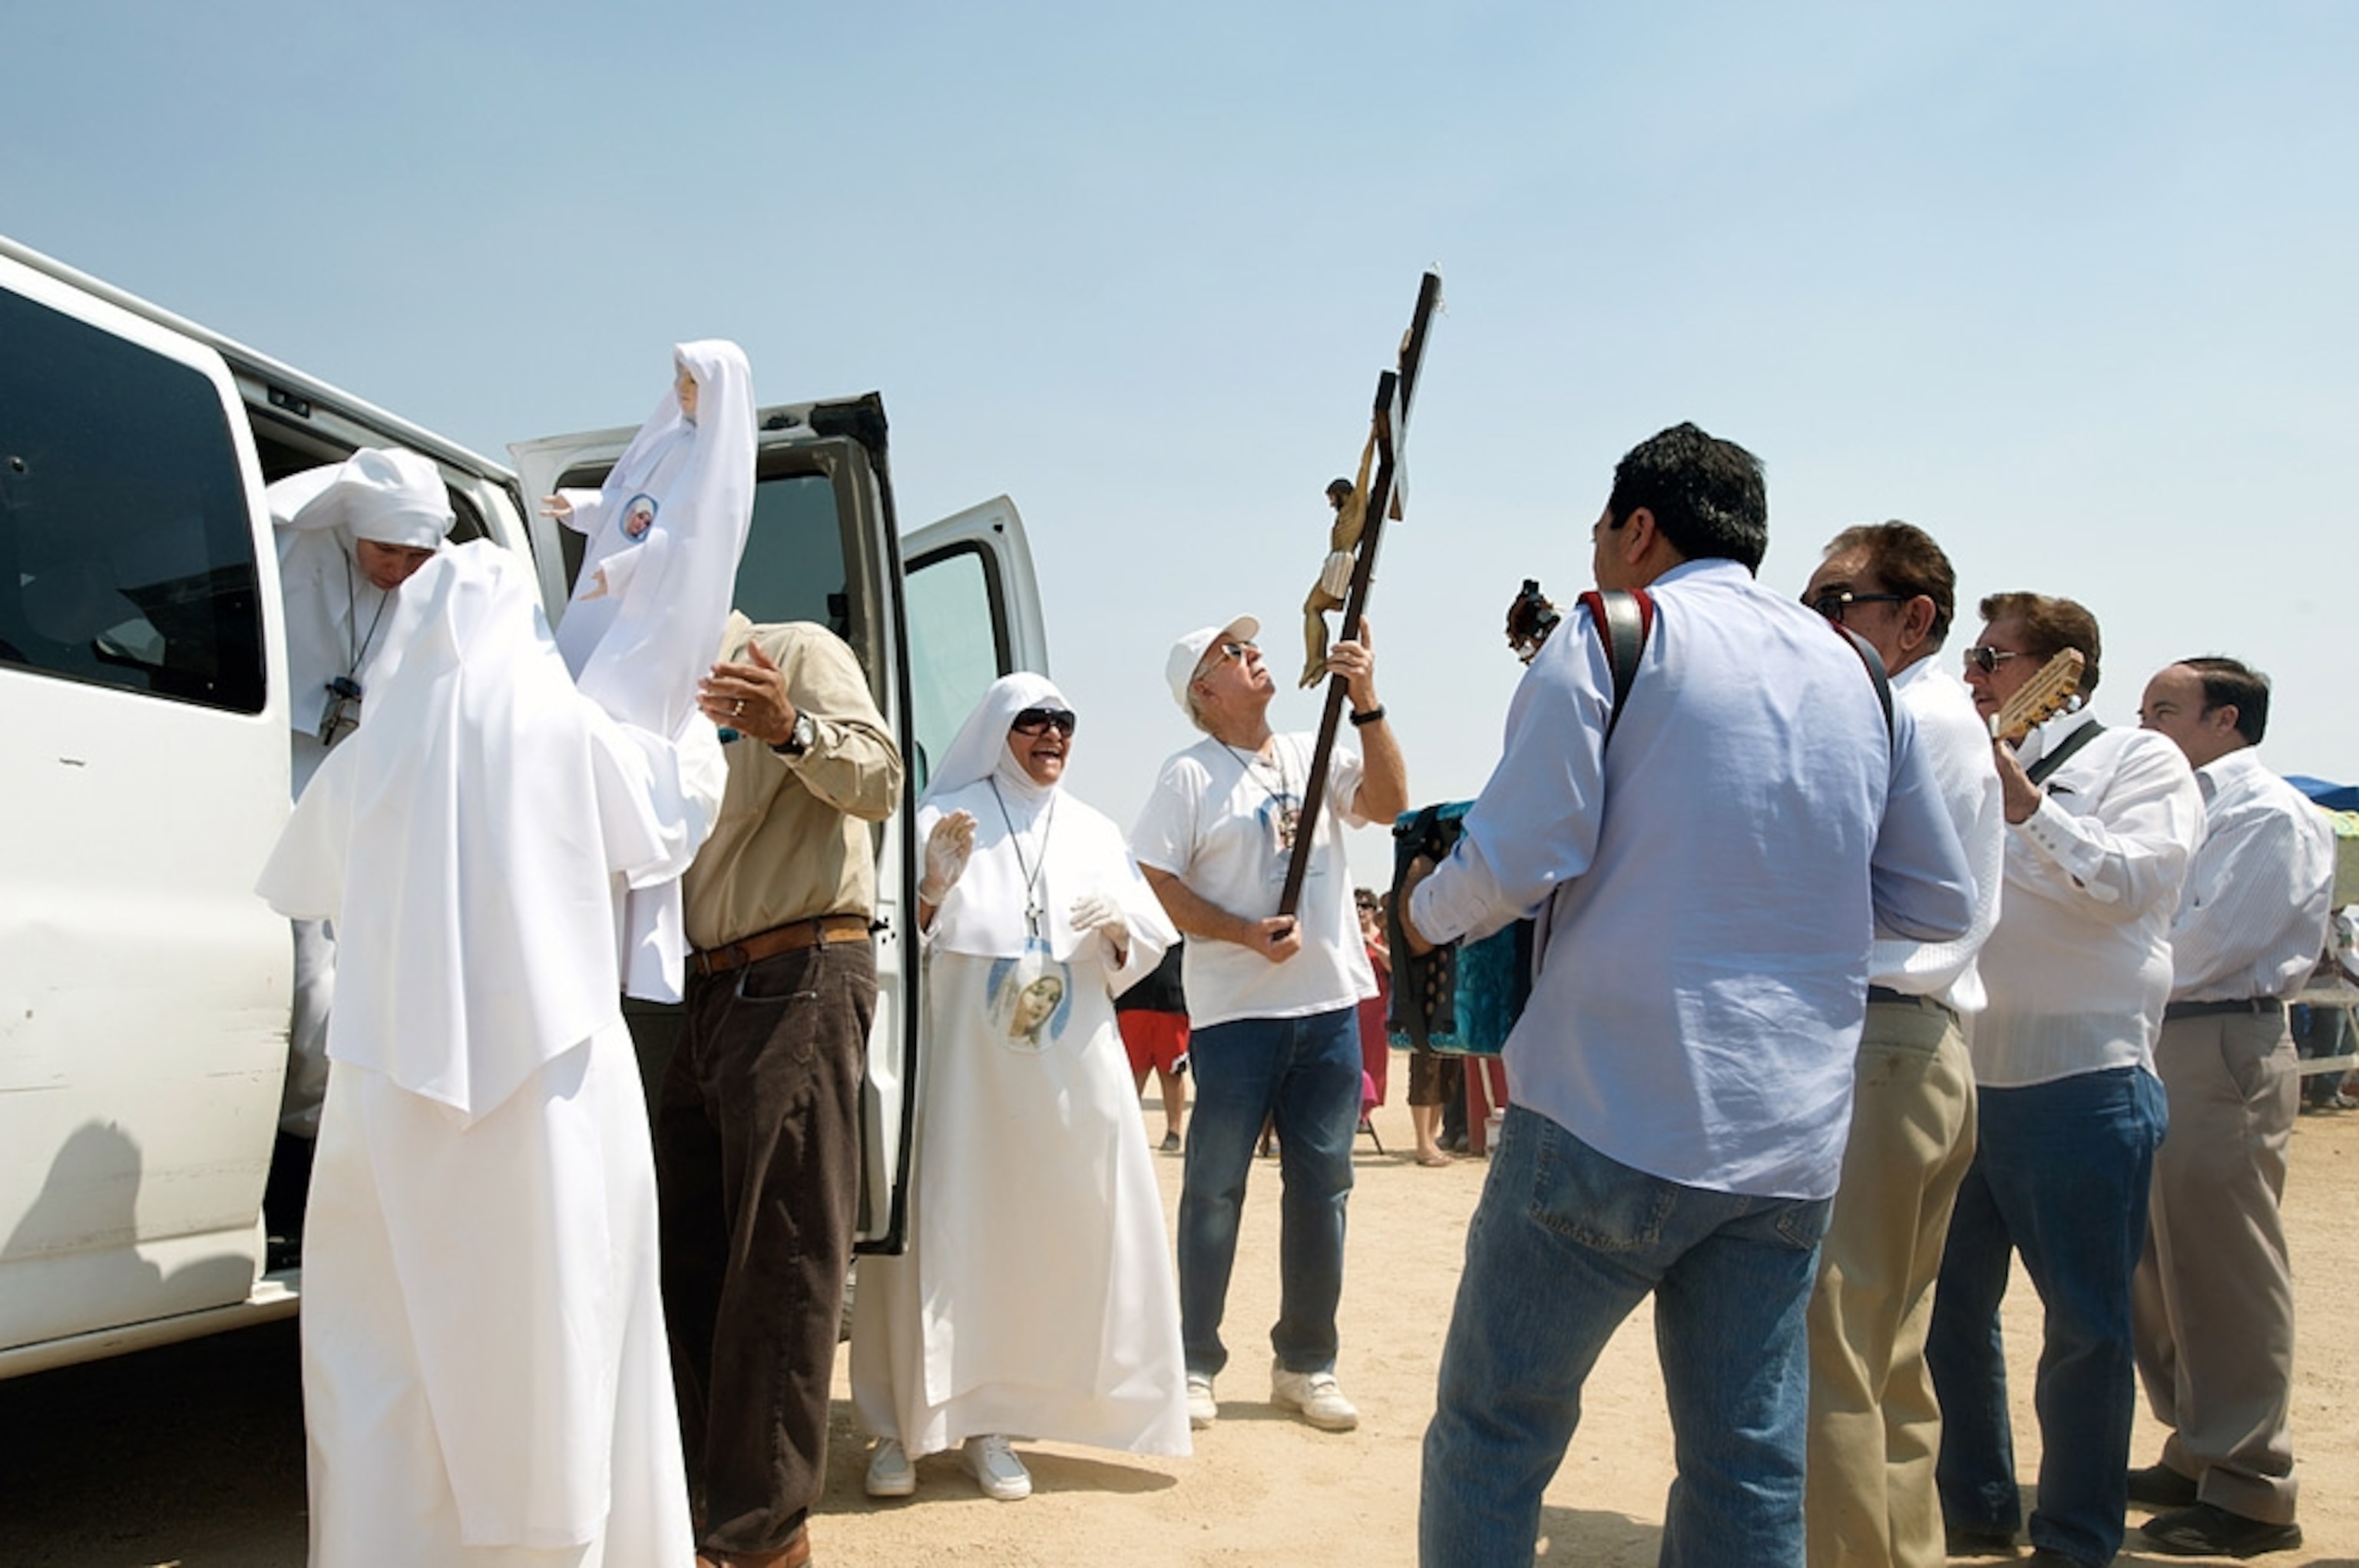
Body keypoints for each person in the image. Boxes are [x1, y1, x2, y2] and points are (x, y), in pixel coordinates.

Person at [1402, 423, 1975, 1568]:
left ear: (1640, 527)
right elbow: (1934, 899)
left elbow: (1519, 858)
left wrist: (1420, 912)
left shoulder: (1617, 633)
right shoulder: (1859, 673)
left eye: (1605, 532)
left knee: (1496, 1430)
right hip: (1786, 1144)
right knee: (1748, 1462)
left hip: (1608, 1111)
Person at [255, 541, 705, 1568]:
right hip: (555, 1088)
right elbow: (668, 819)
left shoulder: (370, 748)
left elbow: (303, 880)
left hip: (387, 1093)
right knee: (564, 1332)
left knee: (393, 1349)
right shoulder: (571, 726)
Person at [851, 675, 1189, 1503]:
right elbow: (888, 941)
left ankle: (991, 1423)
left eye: (1064, 721)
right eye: (1033, 721)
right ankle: (898, 1427)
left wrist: (1119, 927)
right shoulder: (941, 814)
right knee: (939, 1226)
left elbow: (1139, 950)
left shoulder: (1094, 829)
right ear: (999, 730)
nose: (1051, 735)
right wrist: (931, 889)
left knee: (1031, 1241)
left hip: (1062, 1077)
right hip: (962, 1074)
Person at [1927, 594, 2201, 1568]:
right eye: (1975, 653)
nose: (1974, 673)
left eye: (1994, 656)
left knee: (2085, 1327)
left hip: (2080, 1081)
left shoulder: (2140, 761)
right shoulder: (1963, 762)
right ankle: (1974, 1507)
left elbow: (2130, 888)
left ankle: (2078, 1536)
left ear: (2063, 671)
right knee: (1949, 1315)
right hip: (1964, 1074)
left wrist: (2028, 809)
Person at [660, 613, 903, 1568]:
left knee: (783, 1261)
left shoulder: (792, 649)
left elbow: (881, 779)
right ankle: (698, 1508)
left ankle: (761, 1539)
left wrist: (791, 727)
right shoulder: (635, 685)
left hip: (798, 967)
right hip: (698, 990)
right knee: (691, 1263)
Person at [1131, 614, 1408, 1433]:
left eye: (1252, 647)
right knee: (1214, 1188)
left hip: (1325, 1007)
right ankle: (1192, 1360)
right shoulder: (1187, 776)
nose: (1254, 657)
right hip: (1236, 1016)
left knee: (1324, 1188)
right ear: (1204, 691)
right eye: (1234, 653)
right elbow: (1156, 878)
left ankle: (1306, 1362)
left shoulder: (1310, 746)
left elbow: (1389, 804)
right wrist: (1243, 931)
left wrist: (1366, 701)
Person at [1798, 523, 2004, 1568]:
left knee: (1828, 1346)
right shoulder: (1942, 714)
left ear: (1916, 617)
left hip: (1881, 1039)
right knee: (1889, 1353)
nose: (1818, 627)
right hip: (1922, 1048)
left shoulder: (1896, 713)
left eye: (1840, 604)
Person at [2122, 657, 2333, 1559]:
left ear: (2229, 720)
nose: (2146, 725)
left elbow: (2207, 944)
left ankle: (2251, 1485)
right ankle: (2199, 1445)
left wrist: (2106, 939)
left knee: (2225, 1265)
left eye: (2166, 709)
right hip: (2159, 1035)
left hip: (2218, 1037)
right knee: (2159, 1264)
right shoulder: (2179, 803)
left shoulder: (2268, 812)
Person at [260, 446, 454, 1262]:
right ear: (351, 533)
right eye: (386, 552)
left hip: (359, 786)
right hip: (280, 771)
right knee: (302, 973)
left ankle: (323, 1166)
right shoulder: (289, 550)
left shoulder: (416, 588)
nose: (400, 571)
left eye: (418, 557)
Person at [545, 340, 756, 1002]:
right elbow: (626, 507)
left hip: (649, 621)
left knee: (615, 742)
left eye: (691, 380)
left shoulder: (717, 463)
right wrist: (581, 511)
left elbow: (689, 549)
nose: (682, 390)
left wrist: (624, 572)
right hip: (608, 609)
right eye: (678, 378)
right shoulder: (669, 443)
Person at [1118, 941, 1193, 1151]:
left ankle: (1174, 1131)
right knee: (1133, 1071)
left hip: (1173, 999)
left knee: (1172, 1071)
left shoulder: (1181, 915)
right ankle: (1127, 1130)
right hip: (1132, 998)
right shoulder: (1133, 913)